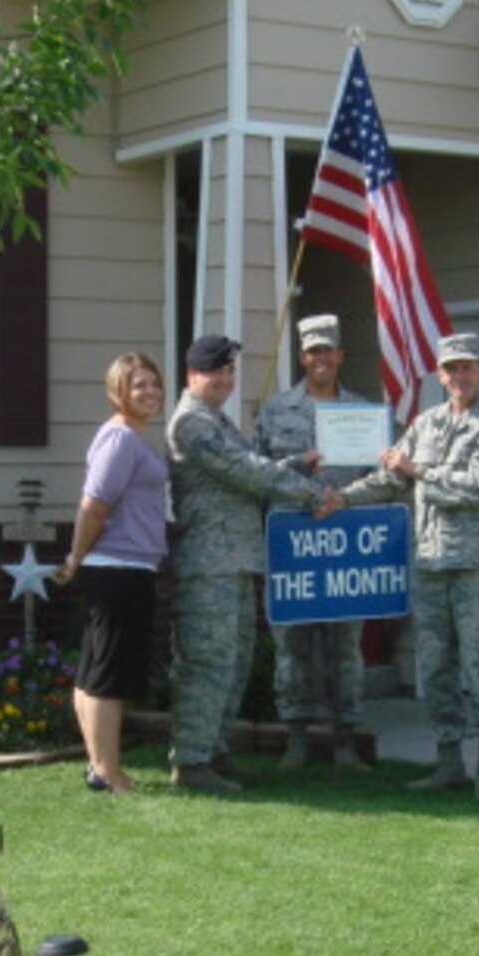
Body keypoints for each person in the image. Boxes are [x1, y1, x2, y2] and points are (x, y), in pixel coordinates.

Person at [341, 331, 479, 799]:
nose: (459, 376)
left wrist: (418, 470)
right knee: (438, 669)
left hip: (478, 569)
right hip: (432, 563)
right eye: (451, 368)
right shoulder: (427, 424)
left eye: (467, 367)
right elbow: (390, 478)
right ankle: (448, 763)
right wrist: (340, 498)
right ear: (439, 375)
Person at [167, 333, 338, 794]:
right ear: (192, 375)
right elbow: (243, 472)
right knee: (207, 661)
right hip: (208, 563)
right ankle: (190, 761)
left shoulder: (215, 419)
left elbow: (250, 464)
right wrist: (311, 492)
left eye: (228, 372)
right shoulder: (192, 424)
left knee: (235, 660)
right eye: (215, 371)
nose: (224, 380)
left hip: (235, 560)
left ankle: (215, 749)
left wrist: (297, 464)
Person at [255, 313, 376, 770]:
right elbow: (258, 474)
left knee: (346, 648)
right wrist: (300, 472)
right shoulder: (274, 411)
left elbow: (379, 480)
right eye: (312, 351)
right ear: (302, 357)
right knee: (294, 647)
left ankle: (346, 740)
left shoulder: (363, 414)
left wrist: (342, 500)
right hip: (292, 548)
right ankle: (297, 739)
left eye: (328, 349)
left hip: (346, 548)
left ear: (340, 355)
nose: (321, 358)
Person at [57, 352, 168, 794]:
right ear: (117, 391)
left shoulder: (134, 438)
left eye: (154, 384)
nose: (149, 392)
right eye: (138, 385)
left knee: (93, 670)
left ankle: (98, 765)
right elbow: (94, 504)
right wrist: (74, 556)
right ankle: (109, 771)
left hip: (127, 566)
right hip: (119, 568)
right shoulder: (121, 439)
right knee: (108, 676)